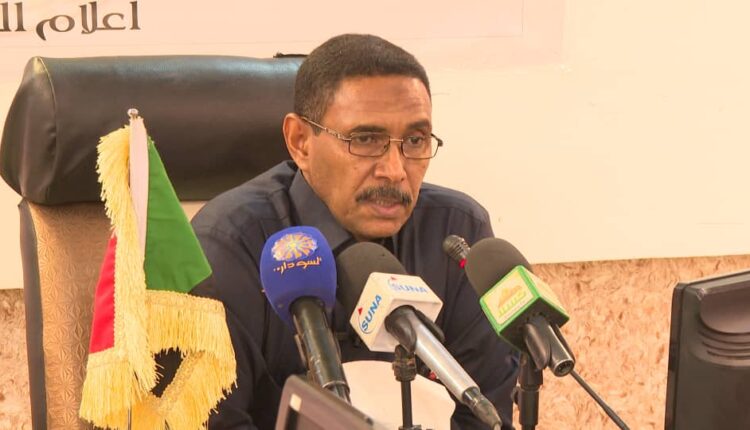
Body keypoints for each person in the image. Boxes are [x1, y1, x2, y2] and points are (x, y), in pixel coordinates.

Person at [191, 33, 518, 429]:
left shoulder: (455, 231)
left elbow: (484, 415)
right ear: (300, 142)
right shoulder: (229, 245)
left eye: (415, 140)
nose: (395, 170)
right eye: (365, 139)